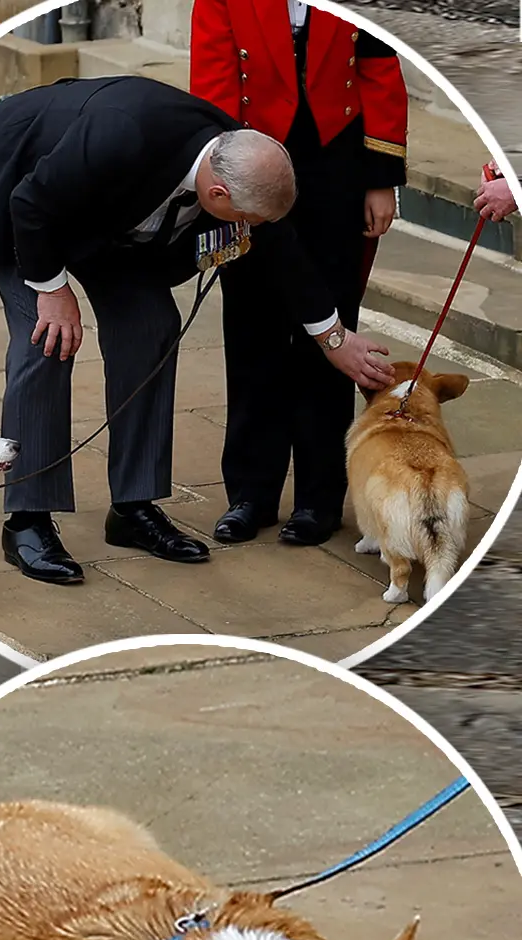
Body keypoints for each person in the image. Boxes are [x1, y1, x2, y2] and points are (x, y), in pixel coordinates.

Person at [0, 76, 391, 585]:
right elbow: (32, 203)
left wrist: (334, 339)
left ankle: (133, 507)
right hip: (18, 184)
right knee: (46, 336)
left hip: (105, 214)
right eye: (245, 219)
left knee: (151, 323)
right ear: (217, 192)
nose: (249, 228)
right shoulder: (121, 136)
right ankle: (28, 521)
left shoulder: (239, 156)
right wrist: (54, 291)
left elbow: (283, 248)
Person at [194, 0, 410, 545]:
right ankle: (251, 494)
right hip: (251, 158)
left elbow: (380, 66)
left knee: (331, 329)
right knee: (252, 332)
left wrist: (381, 179)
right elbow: (214, 80)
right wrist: (228, 176)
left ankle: (320, 498)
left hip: (336, 163)